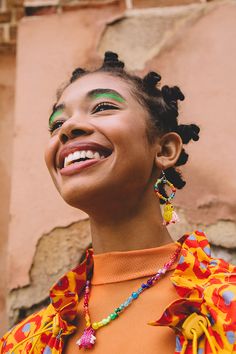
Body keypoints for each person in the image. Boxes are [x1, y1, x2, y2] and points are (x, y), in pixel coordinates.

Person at [1, 51, 236, 354]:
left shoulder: (226, 308)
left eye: (102, 107)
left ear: (164, 149)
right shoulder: (21, 344)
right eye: (57, 123)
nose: (68, 129)